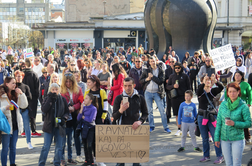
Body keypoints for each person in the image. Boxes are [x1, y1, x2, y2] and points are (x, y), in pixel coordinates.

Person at [113, 77, 148, 166]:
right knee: (121, 161)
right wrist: (121, 110)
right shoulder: (118, 98)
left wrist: (140, 121)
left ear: (134, 86)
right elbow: (114, 117)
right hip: (122, 130)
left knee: (136, 160)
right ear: (123, 86)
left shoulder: (140, 98)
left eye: (130, 86)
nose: (127, 88)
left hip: (136, 130)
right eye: (125, 86)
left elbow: (145, 113)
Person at [215, 82, 251, 166]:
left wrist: (234, 123)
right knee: (228, 163)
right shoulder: (223, 105)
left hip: (237, 139)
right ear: (227, 93)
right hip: (224, 139)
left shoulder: (243, 106)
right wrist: (216, 138)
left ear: (238, 92)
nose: (232, 94)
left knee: (236, 163)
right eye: (230, 91)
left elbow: (248, 123)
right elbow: (219, 122)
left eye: (234, 91)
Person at [38, 83, 69, 166]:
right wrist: (50, 99)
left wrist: (64, 118)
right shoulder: (47, 98)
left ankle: (57, 163)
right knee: (46, 147)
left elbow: (67, 112)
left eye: (56, 90)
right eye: (53, 90)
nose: (54, 91)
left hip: (60, 126)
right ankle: (41, 163)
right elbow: (44, 109)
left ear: (59, 91)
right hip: (49, 126)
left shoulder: (62, 99)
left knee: (59, 147)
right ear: (50, 91)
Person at [0, 76, 28, 166]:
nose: (15, 85)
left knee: (13, 147)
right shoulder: (1, 95)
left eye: (15, 83)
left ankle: (12, 163)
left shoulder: (15, 95)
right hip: (6, 126)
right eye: (12, 83)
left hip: (15, 124)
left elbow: (24, 105)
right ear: (7, 84)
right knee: (5, 148)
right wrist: (5, 108)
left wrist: (21, 94)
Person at [197, 74, 224, 164]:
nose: (208, 81)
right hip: (202, 116)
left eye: (209, 80)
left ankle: (220, 156)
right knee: (204, 138)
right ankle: (206, 156)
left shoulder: (213, 91)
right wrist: (203, 82)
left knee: (215, 136)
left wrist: (215, 81)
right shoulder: (200, 91)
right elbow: (198, 91)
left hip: (212, 117)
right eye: (206, 80)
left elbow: (221, 87)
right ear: (203, 81)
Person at [139, 56, 171, 133]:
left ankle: (166, 127)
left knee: (162, 110)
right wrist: (147, 79)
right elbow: (141, 80)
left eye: (153, 61)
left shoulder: (160, 70)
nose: (152, 63)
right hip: (148, 92)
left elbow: (161, 81)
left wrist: (152, 77)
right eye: (151, 61)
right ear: (149, 63)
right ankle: (151, 126)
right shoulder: (146, 71)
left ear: (156, 61)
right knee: (149, 111)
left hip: (157, 92)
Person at [60, 72, 84, 164]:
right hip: (65, 115)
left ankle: (75, 156)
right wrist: (67, 108)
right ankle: (62, 158)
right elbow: (60, 102)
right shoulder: (61, 89)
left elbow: (81, 101)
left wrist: (74, 107)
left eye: (70, 82)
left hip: (75, 114)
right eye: (67, 82)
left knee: (75, 136)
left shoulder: (78, 89)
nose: (68, 84)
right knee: (64, 138)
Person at [84, 75, 108, 166]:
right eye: (87, 82)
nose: (88, 84)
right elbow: (84, 104)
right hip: (90, 119)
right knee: (92, 139)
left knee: (100, 139)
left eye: (89, 82)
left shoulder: (101, 92)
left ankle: (100, 159)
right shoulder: (87, 92)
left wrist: (103, 116)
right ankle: (93, 158)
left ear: (94, 83)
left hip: (99, 118)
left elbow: (105, 104)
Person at [225, 71, 252, 144]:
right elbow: (226, 94)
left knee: (244, 121)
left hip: (243, 106)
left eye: (239, 75)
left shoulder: (246, 84)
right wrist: (227, 103)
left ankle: (247, 137)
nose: (237, 77)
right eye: (236, 75)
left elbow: (250, 94)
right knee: (234, 120)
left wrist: (249, 103)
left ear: (241, 76)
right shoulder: (230, 84)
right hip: (233, 105)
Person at [166, 62, 191, 136]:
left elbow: (189, 87)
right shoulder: (171, 76)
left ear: (181, 68)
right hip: (175, 98)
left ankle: (187, 130)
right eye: (176, 68)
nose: (177, 69)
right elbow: (167, 86)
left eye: (178, 68)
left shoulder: (185, 76)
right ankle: (179, 129)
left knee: (186, 114)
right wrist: (173, 86)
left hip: (184, 97)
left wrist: (189, 97)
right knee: (177, 115)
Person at [14, 70, 33, 149]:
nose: (18, 78)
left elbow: (30, 98)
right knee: (15, 127)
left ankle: (29, 142)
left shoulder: (25, 86)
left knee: (27, 126)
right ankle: (14, 144)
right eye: (17, 76)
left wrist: (22, 94)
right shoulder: (13, 86)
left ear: (22, 77)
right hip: (15, 110)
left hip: (24, 109)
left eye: (20, 76)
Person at [22, 58, 41, 137]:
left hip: (23, 96)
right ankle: (33, 130)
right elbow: (38, 87)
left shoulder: (21, 74)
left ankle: (23, 130)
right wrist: (36, 96)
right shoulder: (34, 74)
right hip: (32, 97)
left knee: (23, 113)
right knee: (32, 114)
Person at [77, 93, 98, 166]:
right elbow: (78, 118)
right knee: (85, 145)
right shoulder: (84, 108)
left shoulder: (93, 109)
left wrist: (84, 117)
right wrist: (81, 109)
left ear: (90, 100)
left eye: (86, 98)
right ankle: (87, 161)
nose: (84, 100)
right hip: (84, 128)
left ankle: (92, 161)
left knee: (89, 145)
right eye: (84, 98)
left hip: (91, 128)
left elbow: (91, 119)